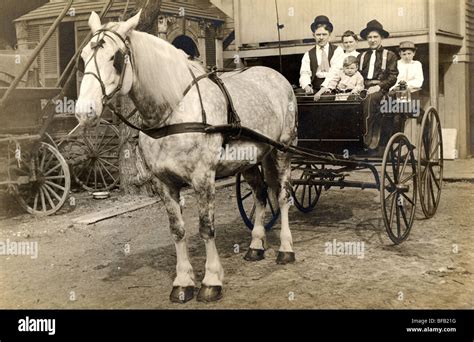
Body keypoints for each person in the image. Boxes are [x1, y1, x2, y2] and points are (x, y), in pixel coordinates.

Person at [357, 19, 398, 149]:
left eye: (375, 37)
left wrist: (378, 86)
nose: (372, 40)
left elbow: (393, 77)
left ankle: (367, 134)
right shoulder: (362, 56)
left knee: (370, 99)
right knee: (349, 100)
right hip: (362, 87)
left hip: (381, 89)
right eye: (369, 37)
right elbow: (356, 74)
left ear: (381, 38)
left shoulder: (390, 55)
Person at [299, 15, 345, 94]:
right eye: (318, 34)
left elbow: (335, 72)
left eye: (324, 34)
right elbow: (304, 73)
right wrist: (307, 85)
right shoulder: (308, 54)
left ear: (329, 35)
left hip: (333, 87)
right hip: (315, 88)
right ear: (313, 35)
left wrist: (323, 88)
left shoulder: (337, 51)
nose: (321, 37)